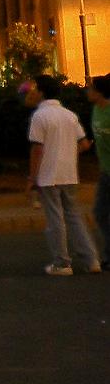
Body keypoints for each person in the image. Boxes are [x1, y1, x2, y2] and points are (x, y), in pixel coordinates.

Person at [23, 73, 101, 277]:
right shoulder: (69, 115)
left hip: (48, 175)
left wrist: (32, 177)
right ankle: (91, 259)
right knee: (74, 216)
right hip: (69, 174)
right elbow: (84, 144)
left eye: (34, 89)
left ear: (41, 92)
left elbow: (37, 149)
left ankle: (62, 262)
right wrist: (66, 151)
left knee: (55, 219)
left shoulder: (40, 116)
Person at [89, 76, 110, 258]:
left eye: (91, 89)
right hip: (105, 172)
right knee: (100, 213)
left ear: (100, 92)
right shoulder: (96, 109)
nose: (88, 92)